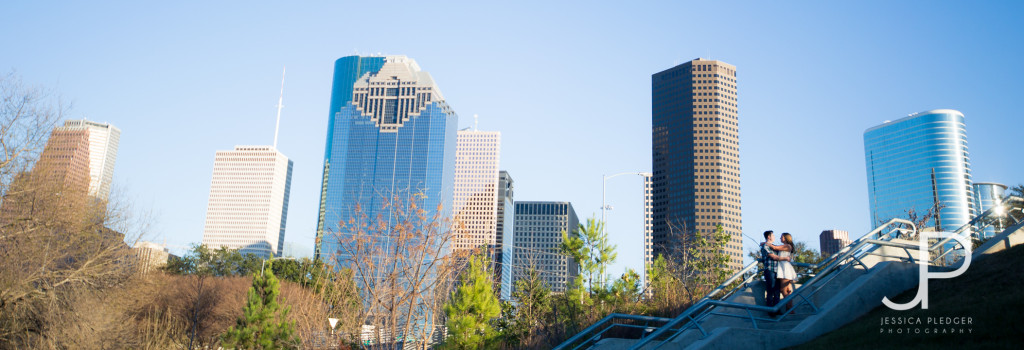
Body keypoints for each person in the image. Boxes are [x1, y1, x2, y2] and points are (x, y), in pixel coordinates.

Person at [760, 230, 791, 314]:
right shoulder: (765, 247)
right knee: (771, 290)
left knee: (777, 291)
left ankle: (777, 309)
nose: (774, 237)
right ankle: (770, 310)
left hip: (778, 271)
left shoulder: (772, 246)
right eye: (773, 235)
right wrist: (786, 259)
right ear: (769, 237)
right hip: (770, 270)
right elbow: (773, 257)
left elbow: (778, 248)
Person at [771, 233, 798, 312]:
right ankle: (790, 308)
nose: (780, 238)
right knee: (788, 291)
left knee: (783, 290)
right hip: (784, 267)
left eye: (782, 237)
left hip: (784, 269)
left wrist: (766, 243)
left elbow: (775, 247)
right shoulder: (786, 246)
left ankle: (790, 308)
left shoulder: (787, 246)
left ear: (786, 238)